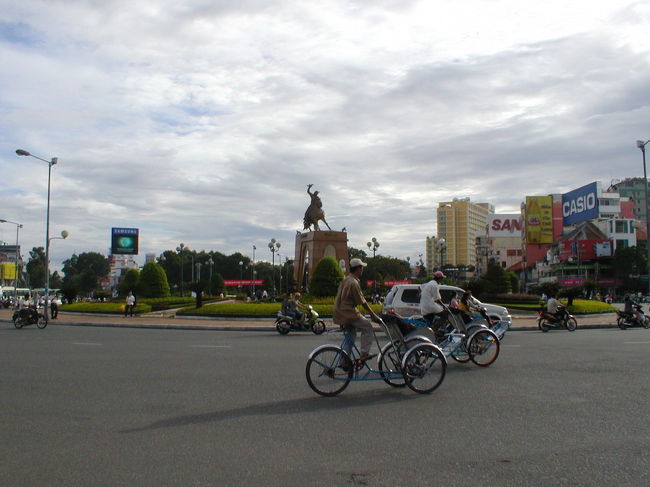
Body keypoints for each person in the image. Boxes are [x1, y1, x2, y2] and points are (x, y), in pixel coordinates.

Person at [333, 258, 381, 365]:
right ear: (358, 269)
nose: (362, 270)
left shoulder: (346, 279)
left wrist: (340, 318)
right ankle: (364, 353)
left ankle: (343, 361)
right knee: (368, 327)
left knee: (351, 335)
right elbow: (362, 302)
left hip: (342, 312)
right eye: (362, 268)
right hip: (349, 312)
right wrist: (373, 315)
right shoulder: (353, 283)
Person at [419, 271, 450, 340]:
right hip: (430, 306)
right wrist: (444, 306)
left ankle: (432, 332)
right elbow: (437, 299)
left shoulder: (430, 283)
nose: (442, 280)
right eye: (442, 278)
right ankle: (434, 329)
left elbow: (420, 287)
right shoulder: (434, 285)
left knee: (430, 322)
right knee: (445, 314)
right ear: (439, 278)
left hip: (425, 306)